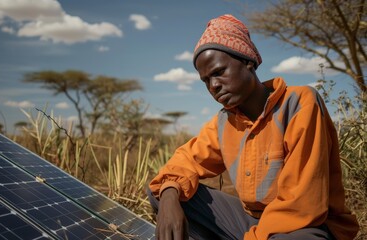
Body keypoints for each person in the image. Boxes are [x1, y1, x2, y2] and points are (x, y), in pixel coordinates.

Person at [147, 14, 359, 240]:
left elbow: (303, 206)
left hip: (305, 226)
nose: (214, 86)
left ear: (248, 61)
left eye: (219, 72)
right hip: (253, 223)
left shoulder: (299, 104)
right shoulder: (224, 121)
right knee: (162, 192)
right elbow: (184, 162)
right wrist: (169, 197)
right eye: (206, 80)